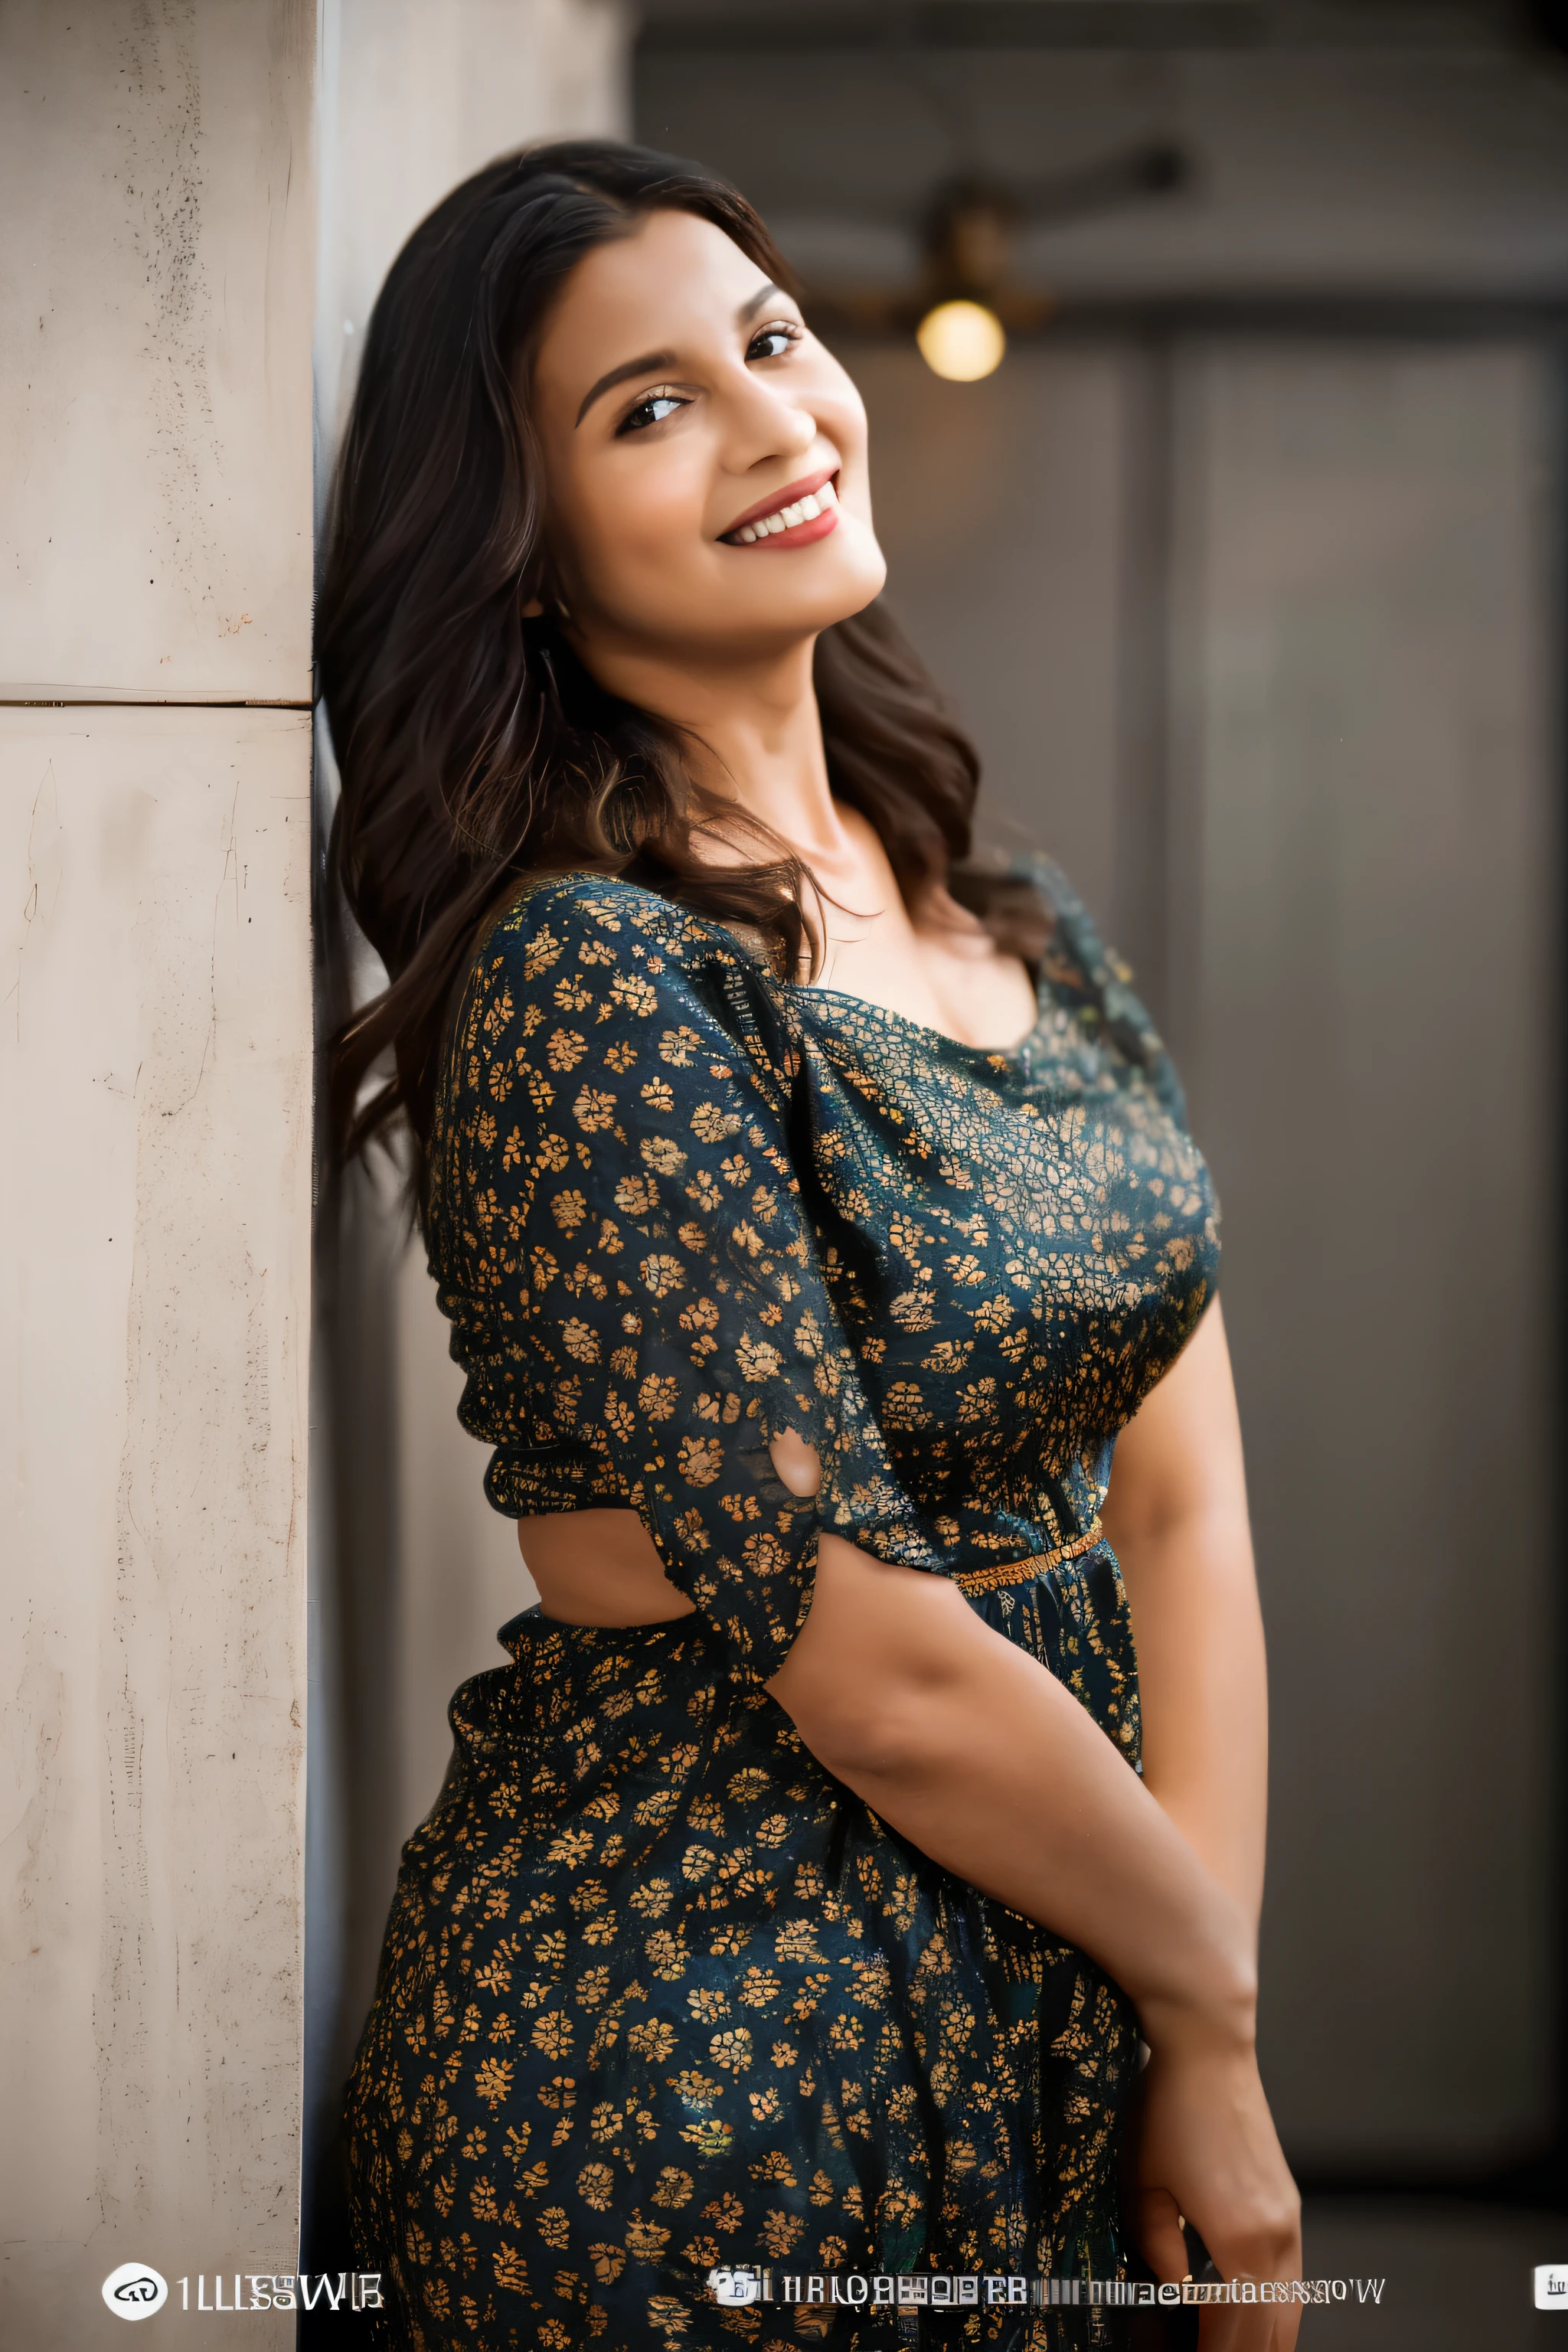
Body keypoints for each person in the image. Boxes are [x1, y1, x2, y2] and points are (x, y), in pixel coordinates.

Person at [317, 140, 1301, 2352]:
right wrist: (1211, 2018)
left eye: (769, 338)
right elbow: (868, 1662)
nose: (775, 419)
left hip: (1068, 1974)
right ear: (527, 554)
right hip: (702, 2049)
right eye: (646, 407)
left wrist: (1185, 2017)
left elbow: (1186, 1502)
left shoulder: (999, 909)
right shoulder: (595, 975)